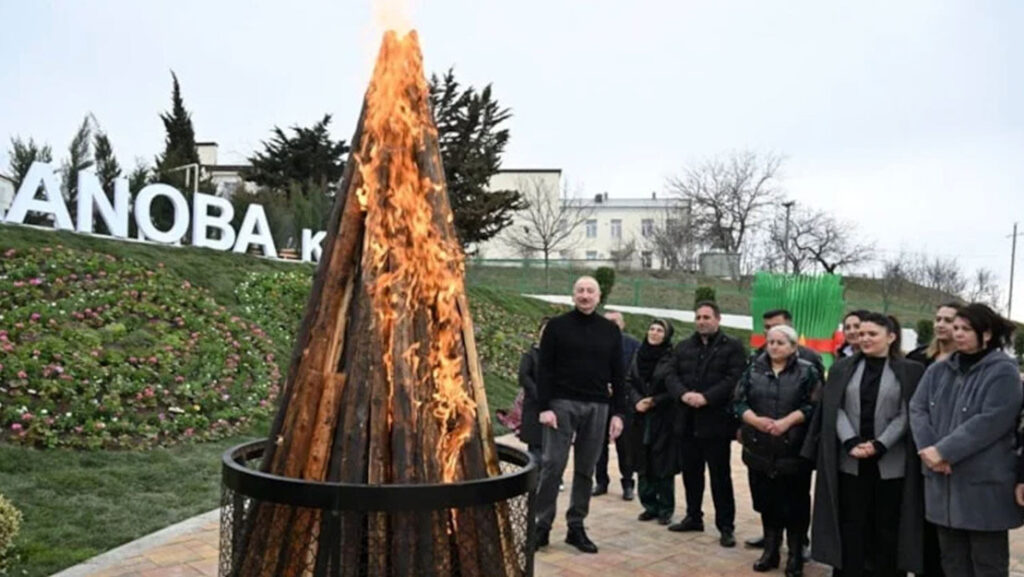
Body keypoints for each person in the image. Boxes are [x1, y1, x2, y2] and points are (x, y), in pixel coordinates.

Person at [804, 311, 925, 576]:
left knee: (886, 530)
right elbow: (834, 408)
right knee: (852, 527)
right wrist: (851, 441)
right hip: (851, 462)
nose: (865, 339)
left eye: (872, 334)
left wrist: (880, 444)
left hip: (891, 465)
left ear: (891, 337)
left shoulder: (911, 371)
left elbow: (908, 412)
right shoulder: (842, 368)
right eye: (861, 334)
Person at [909, 303, 1022, 577]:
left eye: (965, 329)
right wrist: (930, 450)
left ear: (986, 333)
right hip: (942, 482)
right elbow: (918, 408)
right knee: (952, 562)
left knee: (986, 563)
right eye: (955, 327)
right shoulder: (938, 370)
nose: (957, 333)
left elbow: (991, 420)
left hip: (983, 485)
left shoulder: (1002, 371)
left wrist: (945, 451)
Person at [534, 276, 626, 554]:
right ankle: (541, 524)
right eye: (580, 291)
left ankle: (576, 525)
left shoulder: (610, 331)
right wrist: (544, 407)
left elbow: (619, 375)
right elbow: (544, 370)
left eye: (590, 291)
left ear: (599, 297)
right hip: (561, 404)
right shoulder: (556, 327)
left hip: (597, 406)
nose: (585, 295)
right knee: (552, 465)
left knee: (587, 468)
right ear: (573, 295)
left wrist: (619, 413)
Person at [734, 324, 822, 576]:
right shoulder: (753, 369)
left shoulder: (808, 372)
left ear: (794, 347)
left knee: (794, 504)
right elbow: (738, 401)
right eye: (770, 342)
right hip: (759, 448)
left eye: (780, 343)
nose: (774, 347)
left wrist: (787, 421)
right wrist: (753, 420)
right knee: (767, 502)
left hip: (792, 450)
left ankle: (795, 556)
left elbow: (814, 405)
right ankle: (770, 551)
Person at [663, 300, 747, 547]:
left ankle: (726, 526)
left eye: (706, 317)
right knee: (691, 473)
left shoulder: (732, 347)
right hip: (687, 421)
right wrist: (683, 394)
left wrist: (707, 398)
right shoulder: (683, 346)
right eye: (698, 317)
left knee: (720, 476)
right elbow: (671, 375)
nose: (702, 321)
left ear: (717, 319)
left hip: (716, 423)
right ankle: (693, 516)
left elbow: (735, 378)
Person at [904, 302, 959, 577]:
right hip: (919, 447)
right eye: (938, 318)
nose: (940, 324)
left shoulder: (968, 362)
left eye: (948, 320)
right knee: (921, 517)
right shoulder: (918, 358)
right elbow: (912, 405)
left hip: (952, 451)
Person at [627, 318, 676, 525]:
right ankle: (649, 505)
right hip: (639, 416)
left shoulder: (672, 357)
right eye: (652, 329)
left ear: (666, 335)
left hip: (662, 417)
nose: (654, 333)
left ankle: (665, 507)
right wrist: (637, 400)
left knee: (662, 464)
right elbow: (629, 380)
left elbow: (674, 386)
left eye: (659, 330)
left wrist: (655, 401)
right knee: (642, 461)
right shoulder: (639, 354)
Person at [594, 310, 642, 499]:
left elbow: (635, 373)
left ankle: (628, 483)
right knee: (598, 444)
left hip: (624, 401)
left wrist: (619, 386)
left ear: (623, 324)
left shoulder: (633, 345)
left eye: (615, 321)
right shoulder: (594, 342)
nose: (612, 325)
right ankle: (601, 481)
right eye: (608, 321)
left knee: (625, 444)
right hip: (600, 400)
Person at [517, 317, 550, 466]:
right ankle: (534, 476)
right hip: (534, 405)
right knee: (535, 444)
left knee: (552, 444)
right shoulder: (531, 354)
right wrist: (538, 393)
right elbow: (524, 376)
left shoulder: (561, 356)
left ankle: (552, 476)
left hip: (554, 405)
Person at [906, 303, 959, 367]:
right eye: (938, 320)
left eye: (948, 321)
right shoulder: (917, 356)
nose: (940, 325)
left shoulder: (966, 363)